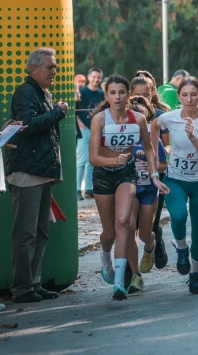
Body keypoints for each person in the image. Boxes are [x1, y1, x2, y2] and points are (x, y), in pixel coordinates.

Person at [89, 75, 163, 300]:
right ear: (107, 96)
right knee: (109, 233)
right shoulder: (100, 119)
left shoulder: (138, 119)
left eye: (122, 92)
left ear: (129, 95)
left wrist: (153, 175)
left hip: (126, 174)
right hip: (103, 175)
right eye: (113, 93)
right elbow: (93, 157)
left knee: (124, 222)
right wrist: (112, 161)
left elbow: (149, 149)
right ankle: (105, 257)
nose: (118, 97)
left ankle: (120, 283)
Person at [6, 48, 68, 303]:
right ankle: (22, 289)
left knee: (40, 232)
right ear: (33, 69)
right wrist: (58, 112)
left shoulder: (42, 92)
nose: (55, 71)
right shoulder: (25, 92)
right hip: (27, 173)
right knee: (26, 233)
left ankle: (34, 283)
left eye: (55, 67)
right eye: (50, 67)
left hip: (41, 173)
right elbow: (28, 125)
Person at [150, 76, 198, 295]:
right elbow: (152, 127)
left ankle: (194, 274)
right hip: (175, 179)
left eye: (193, 94)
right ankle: (181, 248)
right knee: (178, 216)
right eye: (184, 95)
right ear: (178, 97)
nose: (189, 99)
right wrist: (155, 169)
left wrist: (193, 138)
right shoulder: (169, 118)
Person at [126, 96, 169, 293]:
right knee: (128, 228)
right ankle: (136, 275)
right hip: (130, 189)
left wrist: (150, 167)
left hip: (148, 191)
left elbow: (163, 165)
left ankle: (151, 244)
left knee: (144, 233)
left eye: (140, 121)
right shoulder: (123, 138)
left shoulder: (152, 140)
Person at [76, 67, 104, 199]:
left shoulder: (100, 93)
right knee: (81, 160)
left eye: (98, 77)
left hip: (96, 129)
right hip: (84, 129)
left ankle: (88, 188)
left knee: (92, 161)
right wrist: (80, 124)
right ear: (89, 77)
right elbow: (74, 110)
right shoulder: (82, 92)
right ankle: (76, 189)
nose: (96, 79)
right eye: (94, 76)